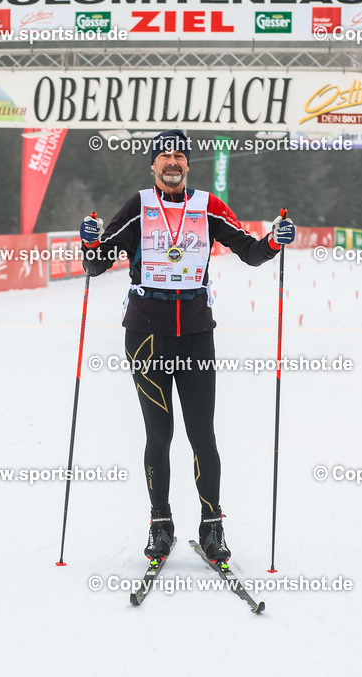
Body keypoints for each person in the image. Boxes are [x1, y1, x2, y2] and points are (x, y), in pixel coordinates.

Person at [80, 129, 296, 566]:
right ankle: (161, 525)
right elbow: (96, 263)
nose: (172, 162)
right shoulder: (138, 206)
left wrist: (275, 240)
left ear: (188, 164)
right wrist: (88, 240)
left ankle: (212, 527)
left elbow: (250, 251)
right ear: (153, 165)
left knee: (203, 435)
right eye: (164, 156)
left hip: (196, 334)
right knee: (159, 435)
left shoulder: (208, 206)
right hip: (146, 335)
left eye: (179, 155)